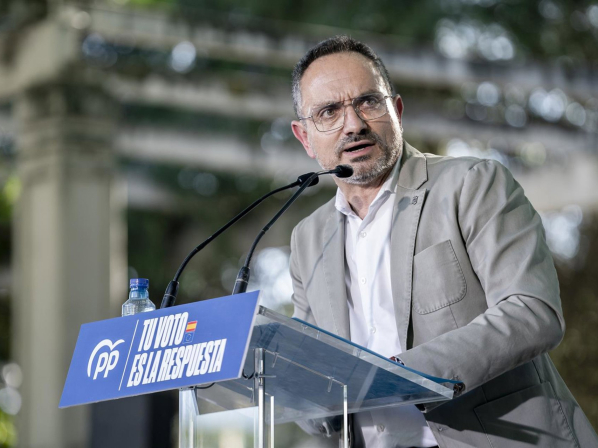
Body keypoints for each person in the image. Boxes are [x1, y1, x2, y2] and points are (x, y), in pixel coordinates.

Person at [288, 35, 598, 448]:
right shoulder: (307, 240)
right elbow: (309, 386)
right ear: (305, 137)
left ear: (397, 112)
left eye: (369, 102)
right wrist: (294, 390)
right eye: (329, 112)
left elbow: (533, 311)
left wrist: (396, 376)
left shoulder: (473, 183)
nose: (354, 124)